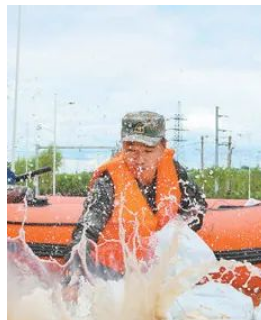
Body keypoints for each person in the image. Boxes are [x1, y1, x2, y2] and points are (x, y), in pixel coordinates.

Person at [66, 111, 207, 280]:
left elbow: (197, 208)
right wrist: (73, 276)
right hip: (111, 274)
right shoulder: (107, 183)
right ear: (122, 147)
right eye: (131, 150)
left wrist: (174, 236)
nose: (139, 160)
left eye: (148, 151)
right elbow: (85, 232)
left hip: (158, 272)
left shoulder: (176, 173)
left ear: (162, 148)